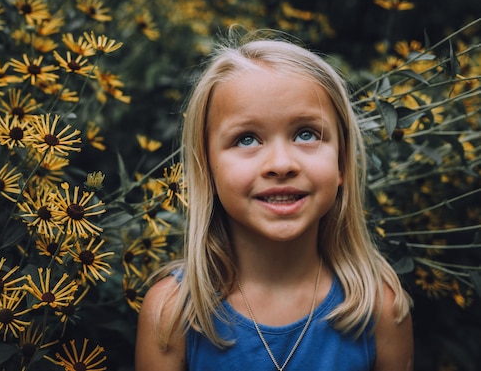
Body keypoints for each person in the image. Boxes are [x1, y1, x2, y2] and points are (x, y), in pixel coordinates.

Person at [135, 32, 413, 371]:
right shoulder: (170, 313)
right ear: (207, 169)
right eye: (247, 139)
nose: (281, 164)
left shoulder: (381, 309)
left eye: (306, 134)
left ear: (341, 162)